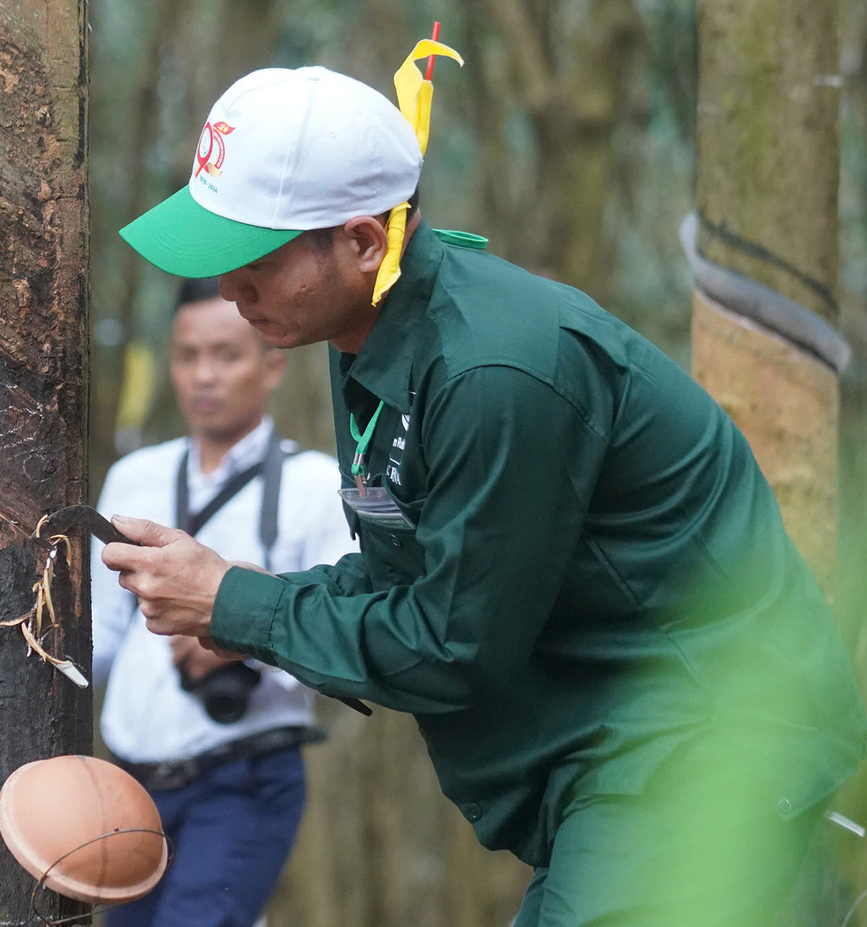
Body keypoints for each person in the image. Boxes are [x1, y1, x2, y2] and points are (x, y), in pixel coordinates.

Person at [101, 64, 867, 926]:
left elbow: (456, 643)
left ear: (362, 242)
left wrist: (241, 606)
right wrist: (233, 597)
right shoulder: (367, 330)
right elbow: (407, 570)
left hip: (709, 738)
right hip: (614, 750)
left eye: (256, 259)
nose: (230, 290)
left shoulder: (492, 369)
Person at [91, 276, 357, 927]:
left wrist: (245, 638)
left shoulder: (315, 487)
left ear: (272, 364)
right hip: (129, 785)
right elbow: (97, 638)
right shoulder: (135, 478)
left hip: (244, 778)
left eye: (226, 354)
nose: (204, 375)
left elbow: (347, 641)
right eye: (188, 356)